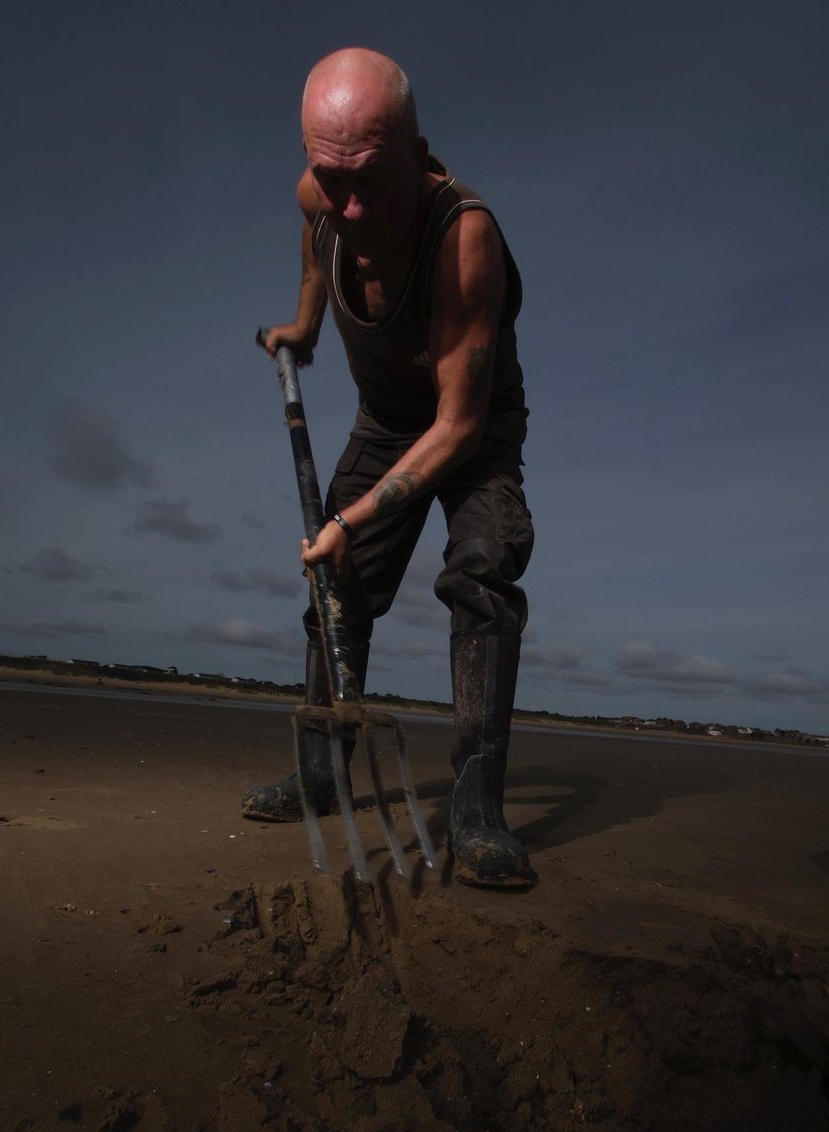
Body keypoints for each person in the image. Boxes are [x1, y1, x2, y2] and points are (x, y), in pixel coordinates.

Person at [243, 48, 536, 889]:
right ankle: (321, 770)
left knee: (483, 570)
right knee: (337, 584)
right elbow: (315, 245)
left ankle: (479, 809)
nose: (351, 204)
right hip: (385, 419)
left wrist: (348, 518)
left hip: (469, 424)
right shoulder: (326, 194)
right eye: (332, 178)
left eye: (370, 178)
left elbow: (457, 425)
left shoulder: (463, 237)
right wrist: (304, 327)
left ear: (418, 153)